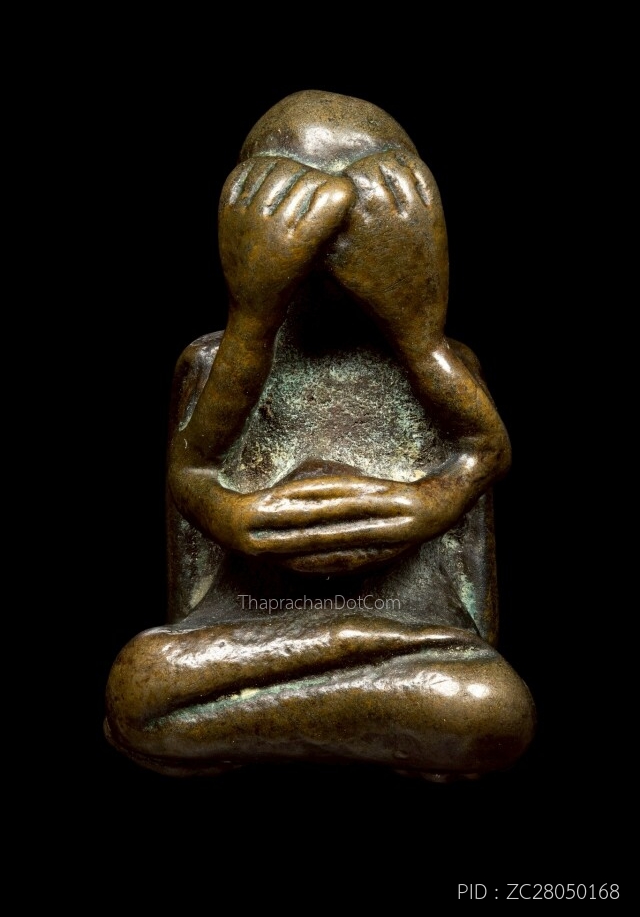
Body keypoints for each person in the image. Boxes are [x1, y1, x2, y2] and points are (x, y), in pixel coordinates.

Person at [105, 90, 535, 779]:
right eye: (291, 201)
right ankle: (378, 716)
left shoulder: (436, 365)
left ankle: (227, 723)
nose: (326, 234)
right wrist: (237, 516)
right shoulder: (219, 360)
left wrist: (421, 340)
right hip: (257, 618)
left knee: (488, 704)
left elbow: (486, 461)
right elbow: (191, 483)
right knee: (140, 679)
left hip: (404, 620)